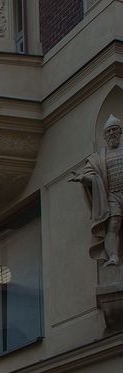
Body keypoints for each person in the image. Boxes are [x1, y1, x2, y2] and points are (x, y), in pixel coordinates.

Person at [72, 114, 123, 266]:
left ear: (120, 132)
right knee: (113, 224)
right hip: (112, 195)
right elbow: (92, 176)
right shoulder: (97, 158)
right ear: (104, 136)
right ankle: (113, 256)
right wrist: (84, 179)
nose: (111, 133)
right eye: (108, 131)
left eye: (114, 130)